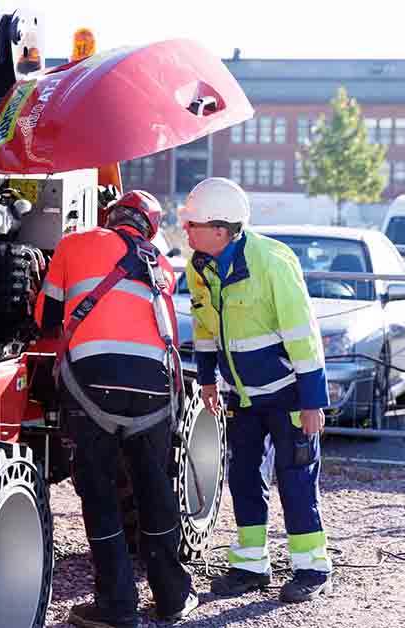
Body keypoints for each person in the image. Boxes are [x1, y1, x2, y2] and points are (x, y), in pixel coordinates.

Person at [35, 190, 199, 628]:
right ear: (149, 227)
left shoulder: (75, 244)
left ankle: (116, 604)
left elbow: (45, 319)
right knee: (154, 488)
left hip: (93, 385)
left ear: (111, 216)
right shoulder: (162, 266)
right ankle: (172, 596)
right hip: (156, 389)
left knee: (100, 490)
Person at [181, 177, 333, 603]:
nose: (186, 231)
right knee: (244, 478)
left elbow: (304, 336)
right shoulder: (199, 266)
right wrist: (207, 379)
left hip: (286, 395)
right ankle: (251, 567)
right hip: (241, 398)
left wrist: (311, 401)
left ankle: (312, 568)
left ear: (220, 229)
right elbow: (206, 328)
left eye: (192, 224)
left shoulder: (271, 263)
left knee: (296, 479)